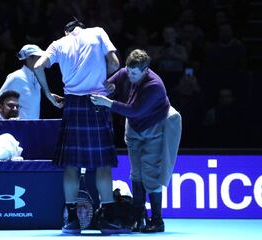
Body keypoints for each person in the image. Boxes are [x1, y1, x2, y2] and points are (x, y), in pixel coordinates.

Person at [33, 19, 125, 234]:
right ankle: (109, 219)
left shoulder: (58, 44)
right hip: (97, 102)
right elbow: (114, 63)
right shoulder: (98, 32)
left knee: (71, 166)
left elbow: (38, 66)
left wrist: (48, 95)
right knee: (102, 165)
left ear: (67, 31)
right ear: (81, 27)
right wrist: (107, 83)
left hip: (72, 105)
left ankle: (72, 220)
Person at [90, 49, 182, 233]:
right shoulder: (126, 71)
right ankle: (138, 218)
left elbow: (134, 110)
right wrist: (108, 87)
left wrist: (107, 103)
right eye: (128, 71)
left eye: (134, 73)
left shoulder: (155, 85)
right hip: (134, 129)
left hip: (154, 129)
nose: (129, 75)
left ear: (145, 70)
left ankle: (157, 220)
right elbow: (111, 84)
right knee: (136, 174)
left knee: (151, 175)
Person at [0, 44, 43, 119]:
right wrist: (1, 124)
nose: (42, 61)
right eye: (39, 58)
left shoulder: (37, 79)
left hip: (34, 127)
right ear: (29, 59)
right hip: (18, 127)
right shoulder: (16, 77)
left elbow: (30, 96)